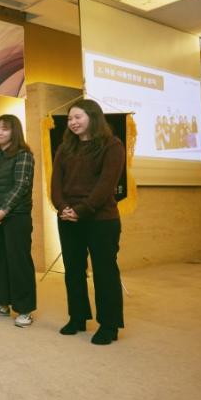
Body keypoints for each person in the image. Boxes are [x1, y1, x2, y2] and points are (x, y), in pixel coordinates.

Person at [51, 99, 125, 345]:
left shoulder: (112, 145)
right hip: (68, 217)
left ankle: (109, 325)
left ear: (93, 117)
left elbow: (106, 184)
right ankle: (78, 317)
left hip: (101, 219)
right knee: (73, 270)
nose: (72, 122)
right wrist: (63, 207)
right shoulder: (65, 148)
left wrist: (81, 210)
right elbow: (56, 183)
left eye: (77, 117)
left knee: (104, 271)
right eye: (70, 119)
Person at [0, 114, 36, 327]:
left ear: (14, 131)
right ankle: (1, 303)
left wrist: (3, 210)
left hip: (16, 216)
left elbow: (21, 186)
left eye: (4, 128)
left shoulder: (23, 155)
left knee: (18, 262)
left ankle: (24, 309)